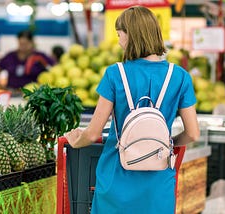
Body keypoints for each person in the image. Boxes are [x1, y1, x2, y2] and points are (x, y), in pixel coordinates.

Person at [64, 6, 200, 214]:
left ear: (131, 36)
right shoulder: (180, 76)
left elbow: (92, 133)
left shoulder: (114, 74)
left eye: (120, 35)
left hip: (116, 180)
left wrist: (76, 140)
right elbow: (192, 133)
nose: (119, 41)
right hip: (158, 182)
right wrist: (167, 145)